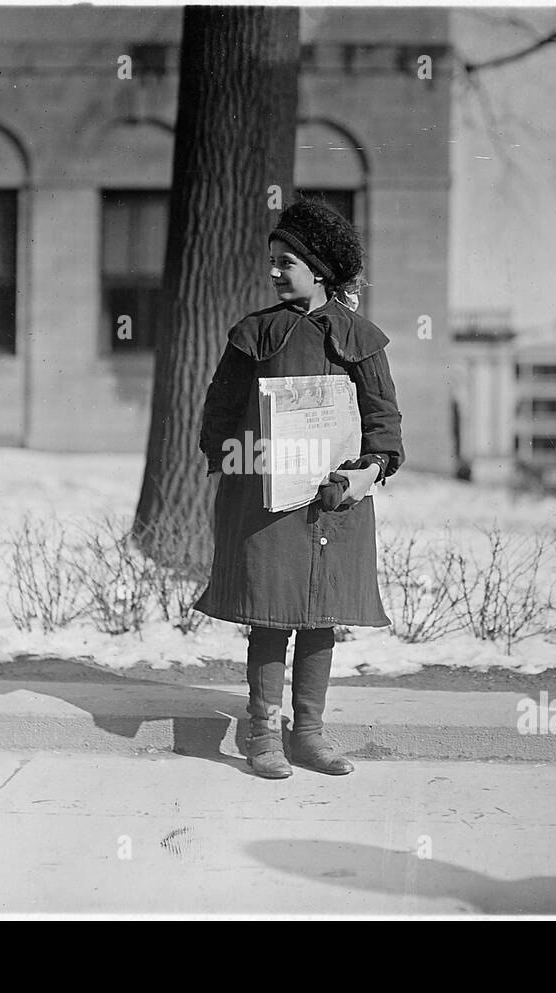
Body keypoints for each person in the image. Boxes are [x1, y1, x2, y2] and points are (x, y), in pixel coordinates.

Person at [193, 198, 405, 779]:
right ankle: (262, 736)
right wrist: (233, 466)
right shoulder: (253, 334)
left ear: (320, 269)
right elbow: (219, 414)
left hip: (335, 503)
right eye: (271, 261)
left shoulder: (361, 338)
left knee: (321, 616)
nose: (275, 271)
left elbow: (385, 425)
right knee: (270, 615)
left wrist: (364, 475)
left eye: (286, 261)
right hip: (266, 499)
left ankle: (307, 733)